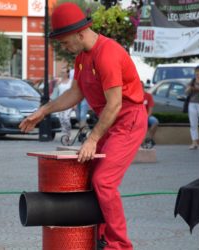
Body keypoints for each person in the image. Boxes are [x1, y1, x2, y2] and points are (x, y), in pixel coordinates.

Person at [19, 3, 147, 249]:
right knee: (90, 179)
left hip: (127, 119)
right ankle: (98, 237)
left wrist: (92, 139)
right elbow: (75, 94)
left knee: (104, 181)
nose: (62, 47)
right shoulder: (81, 58)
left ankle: (119, 245)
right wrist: (43, 111)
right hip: (110, 121)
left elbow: (115, 105)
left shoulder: (107, 53)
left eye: (64, 41)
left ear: (80, 33)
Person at [51, 68, 73, 139]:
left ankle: (68, 133)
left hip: (69, 102)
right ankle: (65, 135)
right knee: (61, 119)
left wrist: (74, 104)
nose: (62, 74)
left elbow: (74, 93)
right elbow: (55, 93)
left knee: (66, 118)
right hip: (60, 102)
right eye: (61, 72)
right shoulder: (59, 82)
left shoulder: (71, 82)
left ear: (67, 73)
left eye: (64, 72)